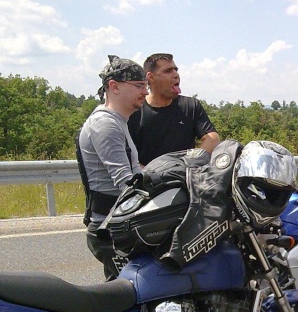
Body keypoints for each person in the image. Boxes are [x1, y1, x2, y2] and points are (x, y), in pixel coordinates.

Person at [76, 55, 147, 280]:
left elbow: (135, 170)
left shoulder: (119, 121)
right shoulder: (105, 124)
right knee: (134, 293)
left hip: (118, 224)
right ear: (113, 86)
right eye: (138, 85)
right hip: (111, 230)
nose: (145, 91)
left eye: (145, 85)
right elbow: (126, 183)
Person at [128, 53, 220, 166]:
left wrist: (190, 164)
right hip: (149, 180)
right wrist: (153, 175)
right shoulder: (134, 111)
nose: (176, 75)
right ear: (150, 77)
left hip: (186, 178)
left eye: (176, 70)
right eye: (168, 71)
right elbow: (128, 157)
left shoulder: (190, 105)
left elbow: (213, 139)